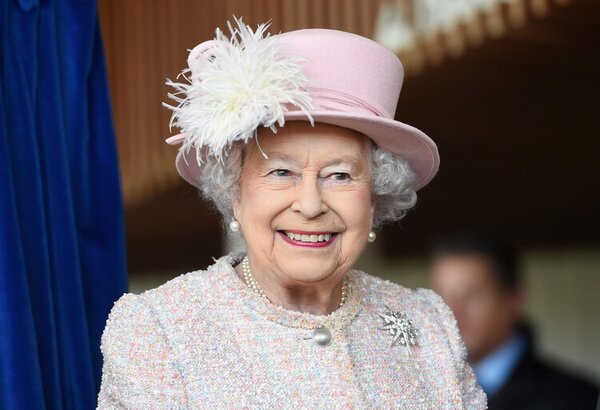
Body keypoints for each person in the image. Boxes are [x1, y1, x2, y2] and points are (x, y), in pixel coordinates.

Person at [97, 19, 487, 408]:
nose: (311, 204)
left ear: (374, 198)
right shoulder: (159, 330)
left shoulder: (428, 323)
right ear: (235, 192)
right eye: (281, 172)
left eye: (340, 175)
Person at [430, 233, 599, 410]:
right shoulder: (416, 395)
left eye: (470, 295)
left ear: (513, 300)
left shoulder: (577, 400)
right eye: (441, 296)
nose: (451, 311)